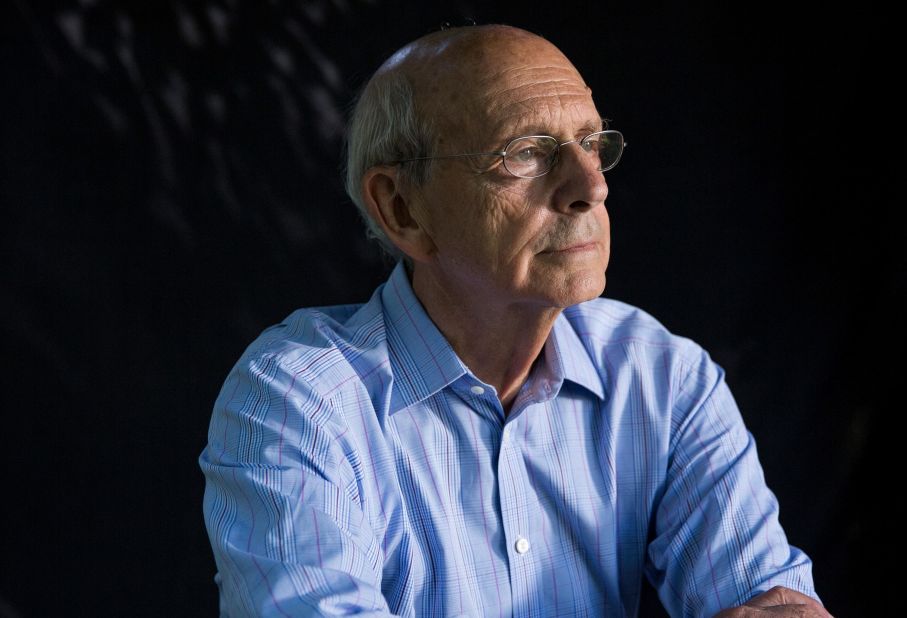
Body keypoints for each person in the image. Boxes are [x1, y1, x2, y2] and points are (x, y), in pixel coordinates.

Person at [199, 24, 832, 617]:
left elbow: (776, 604)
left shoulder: (663, 376)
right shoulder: (299, 399)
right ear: (402, 210)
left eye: (591, 144)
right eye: (526, 153)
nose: (590, 186)